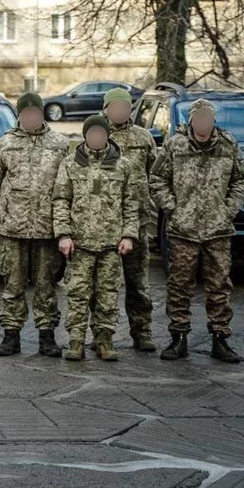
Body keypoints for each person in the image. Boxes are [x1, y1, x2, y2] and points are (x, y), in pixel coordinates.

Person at [150, 98, 244, 363]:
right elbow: (157, 179)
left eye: (208, 118)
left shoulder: (228, 145)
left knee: (219, 286)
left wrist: (227, 210)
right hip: (183, 230)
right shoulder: (175, 145)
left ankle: (220, 339)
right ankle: (178, 337)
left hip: (217, 231)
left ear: (213, 120)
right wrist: (173, 207)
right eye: (199, 118)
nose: (204, 123)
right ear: (192, 120)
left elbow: (241, 181)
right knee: (179, 285)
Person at [0, 92, 70, 358]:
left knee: (46, 286)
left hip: (47, 229)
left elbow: (69, 188)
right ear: (19, 115)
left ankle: (47, 336)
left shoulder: (60, 144)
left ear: (42, 114)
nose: (31, 117)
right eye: (26, 113)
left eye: (36, 113)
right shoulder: (6, 143)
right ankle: (11, 336)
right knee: (13, 285)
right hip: (13, 228)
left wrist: (65, 229)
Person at [53, 115, 139, 361]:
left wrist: (129, 235)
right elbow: (60, 201)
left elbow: (131, 204)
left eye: (102, 133)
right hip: (79, 244)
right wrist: (64, 235)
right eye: (93, 134)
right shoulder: (70, 164)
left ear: (107, 135)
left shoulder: (123, 165)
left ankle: (104, 340)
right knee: (77, 293)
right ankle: (76, 340)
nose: (97, 138)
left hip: (111, 244)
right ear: (85, 136)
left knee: (108, 294)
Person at [103, 87, 159, 351]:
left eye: (124, 107)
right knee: (103, 285)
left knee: (138, 283)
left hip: (138, 221)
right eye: (114, 106)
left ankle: (142, 331)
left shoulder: (143, 137)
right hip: (103, 223)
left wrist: (155, 206)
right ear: (106, 109)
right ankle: (103, 333)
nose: (119, 111)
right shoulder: (96, 136)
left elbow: (157, 175)